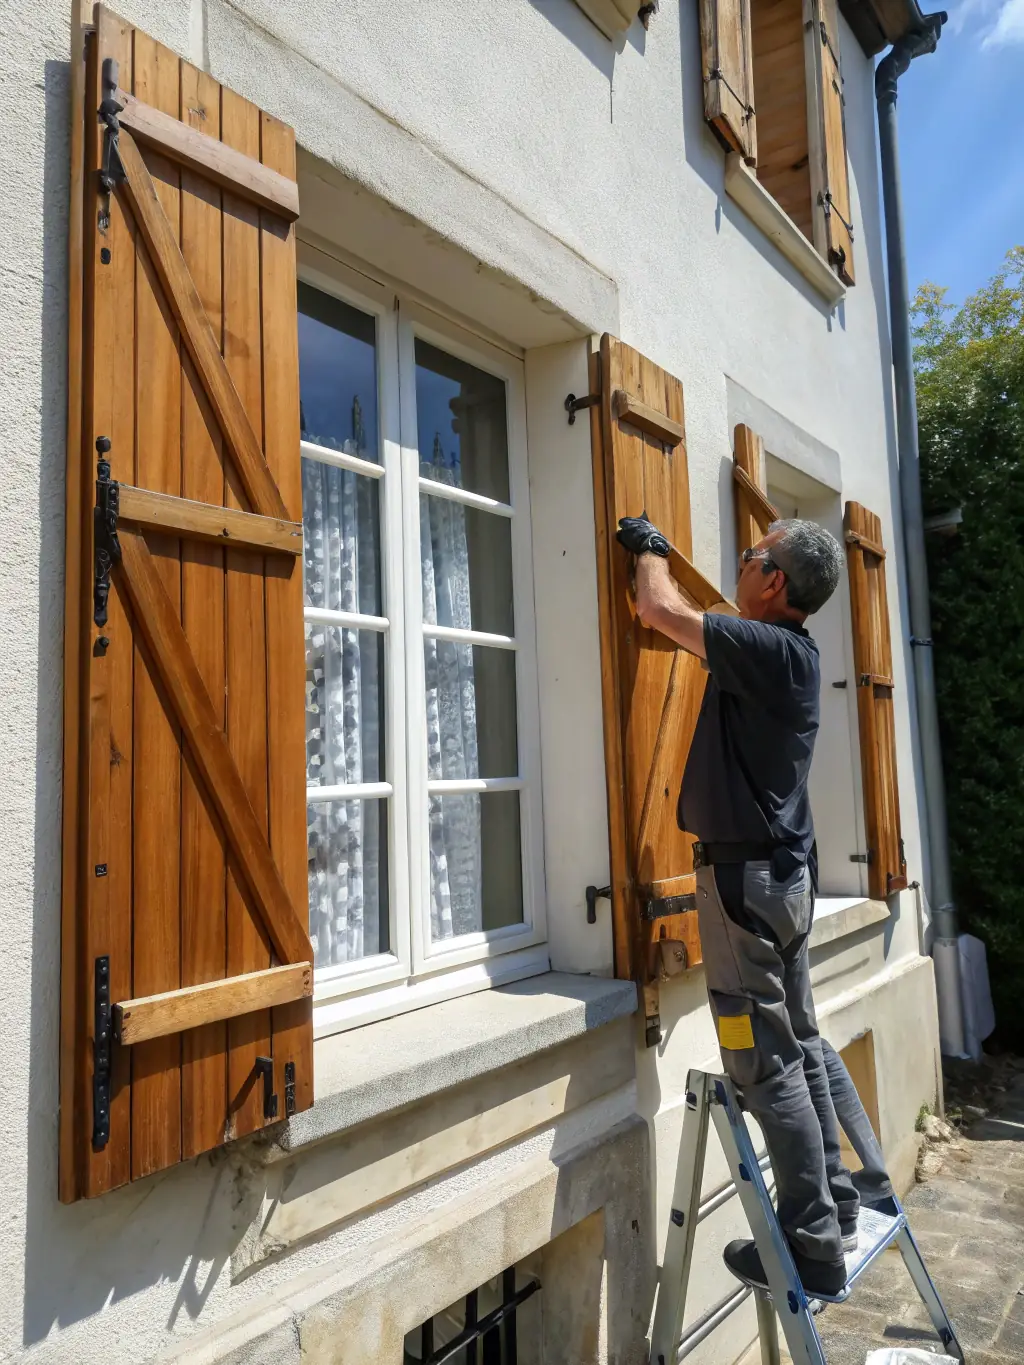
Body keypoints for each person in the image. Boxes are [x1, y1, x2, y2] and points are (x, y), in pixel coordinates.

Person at [616, 512, 869, 1298]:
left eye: (753, 554)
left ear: (775, 583)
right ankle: (838, 1199)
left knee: (762, 1062)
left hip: (744, 889)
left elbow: (657, 610)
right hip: (781, 881)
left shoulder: (769, 649)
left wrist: (648, 548)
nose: (741, 558)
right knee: (799, 1038)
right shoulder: (785, 656)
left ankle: (813, 1242)